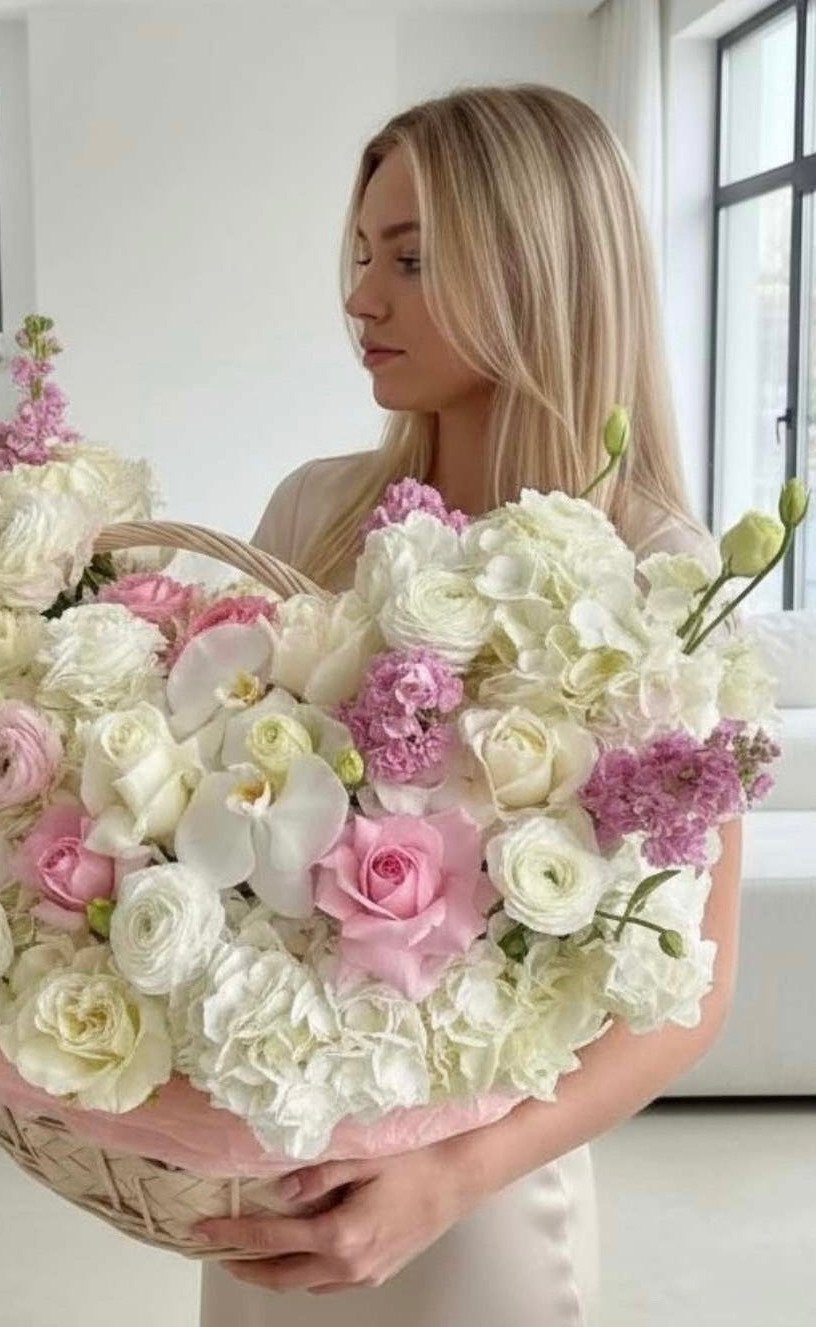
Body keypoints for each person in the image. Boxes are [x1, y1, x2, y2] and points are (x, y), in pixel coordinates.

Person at [193, 84, 744, 1325]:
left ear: (534, 271)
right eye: (360, 255)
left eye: (411, 259)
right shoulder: (311, 515)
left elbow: (692, 990)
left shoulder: (657, 566)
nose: (360, 298)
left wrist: (446, 1180)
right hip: (281, 1155)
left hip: (481, 1205)